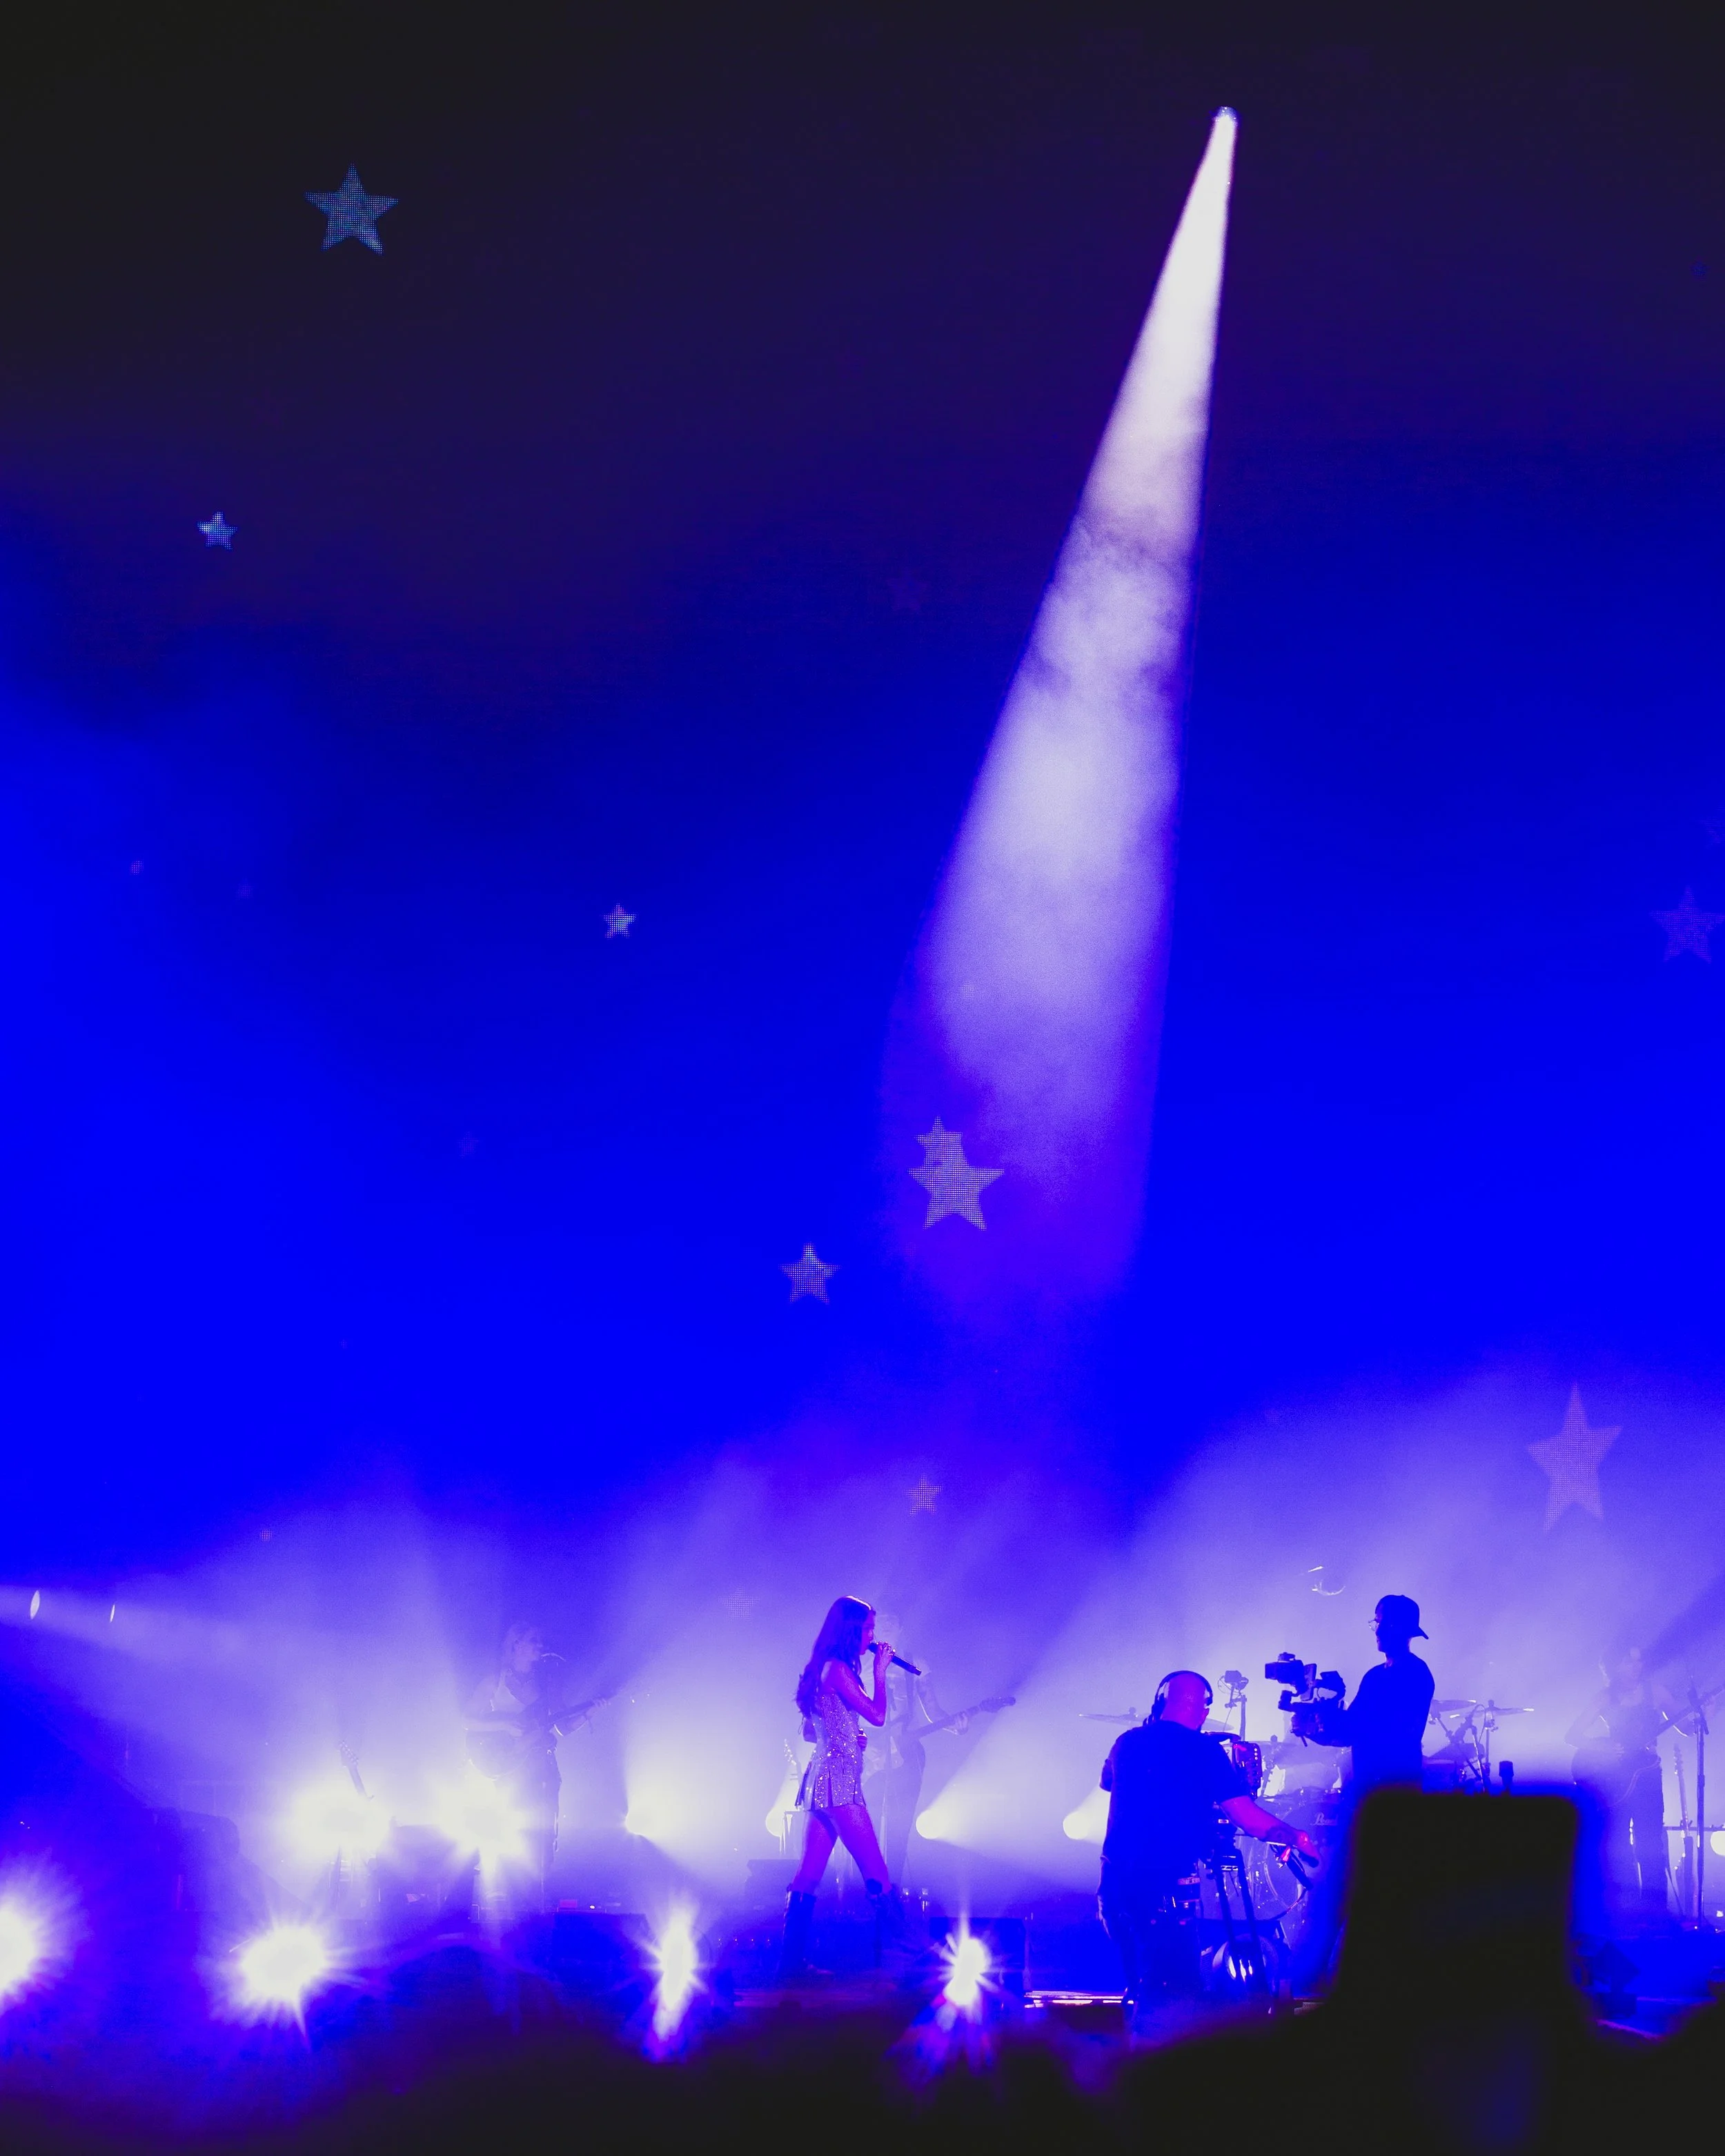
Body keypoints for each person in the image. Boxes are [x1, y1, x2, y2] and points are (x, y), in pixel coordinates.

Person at [1098, 1670, 1319, 2018]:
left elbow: (1109, 1783)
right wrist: (1296, 1837)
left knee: (1142, 1991)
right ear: (1201, 1708)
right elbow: (1248, 1818)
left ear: (1160, 1703)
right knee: (1175, 2002)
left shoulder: (1126, 1742)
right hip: (1166, 1895)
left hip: (1115, 1891)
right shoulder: (1203, 1751)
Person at [1290, 1595, 1437, 1990]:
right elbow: (1350, 1729)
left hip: (1393, 1795)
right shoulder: (1374, 1677)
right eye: (1376, 1623)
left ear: (1400, 1629)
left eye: (1381, 1623)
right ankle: (1326, 1978)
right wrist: (1315, 1726)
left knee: (1361, 1883)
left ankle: (1326, 1978)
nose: (1376, 1630)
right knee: (1346, 1883)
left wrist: (1327, 1714)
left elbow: (1386, 1729)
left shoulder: (1415, 1674)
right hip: (1365, 1794)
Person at [778, 1595, 907, 1981]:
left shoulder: (825, 1667)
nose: (872, 1637)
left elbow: (811, 1731)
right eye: (868, 1629)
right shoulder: (837, 1669)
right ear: (852, 1630)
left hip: (823, 1778)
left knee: (808, 1876)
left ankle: (790, 1967)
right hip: (840, 1781)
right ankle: (908, 1959)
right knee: (878, 1874)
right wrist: (880, 1671)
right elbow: (879, 1715)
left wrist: (850, 1734)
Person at [463, 1621, 570, 1909]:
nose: (540, 1646)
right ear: (516, 1644)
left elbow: (563, 1727)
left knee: (543, 1838)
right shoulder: (494, 1682)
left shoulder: (546, 1683)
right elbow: (466, 1720)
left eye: (541, 1641)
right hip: (511, 1768)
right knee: (517, 1836)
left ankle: (537, 1903)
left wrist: (590, 1712)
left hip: (542, 1766)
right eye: (534, 1640)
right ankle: (511, 1901)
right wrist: (504, 1725)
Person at [1566, 1645, 1678, 1911]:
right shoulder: (1606, 1697)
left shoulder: (1655, 1692)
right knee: (1619, 1846)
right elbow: (1573, 1735)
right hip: (1617, 1779)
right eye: (1629, 1662)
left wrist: (1708, 1710)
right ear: (1615, 1666)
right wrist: (1603, 1746)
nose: (1637, 1668)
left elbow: (1685, 1726)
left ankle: (1655, 1911)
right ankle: (1623, 1910)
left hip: (1649, 1776)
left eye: (1639, 1662)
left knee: (1651, 1844)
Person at [869, 1611, 968, 1886]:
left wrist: (956, 1726)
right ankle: (865, 1889)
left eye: (893, 1619)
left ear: (901, 1626)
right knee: (866, 1826)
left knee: (899, 1828)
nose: (887, 1624)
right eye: (882, 1619)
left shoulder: (916, 1664)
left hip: (906, 1751)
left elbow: (933, 1710)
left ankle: (891, 1888)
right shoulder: (859, 1659)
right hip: (868, 1752)